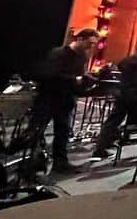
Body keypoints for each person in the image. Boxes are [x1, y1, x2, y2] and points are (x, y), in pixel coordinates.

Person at [30, 28, 99, 173]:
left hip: (66, 100)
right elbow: (48, 75)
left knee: (63, 133)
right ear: (79, 39)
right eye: (89, 43)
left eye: (93, 44)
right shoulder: (58, 53)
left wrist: (85, 83)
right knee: (36, 132)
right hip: (48, 99)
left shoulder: (82, 58)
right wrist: (75, 79)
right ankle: (31, 164)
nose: (90, 47)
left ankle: (60, 163)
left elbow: (77, 80)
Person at [92, 38, 137, 159]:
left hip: (122, 92)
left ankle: (101, 148)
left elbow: (120, 65)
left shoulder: (134, 56)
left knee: (113, 121)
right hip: (133, 96)